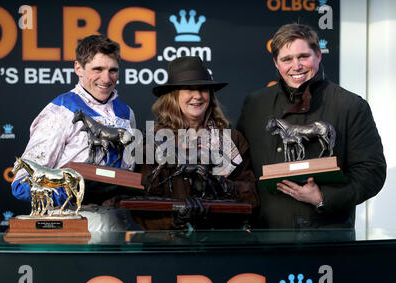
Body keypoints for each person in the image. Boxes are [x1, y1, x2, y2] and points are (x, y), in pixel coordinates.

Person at [236, 23, 386, 229]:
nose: (296, 66)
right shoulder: (254, 105)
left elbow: (372, 171)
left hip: (328, 238)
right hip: (266, 238)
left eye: (303, 56)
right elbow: (240, 169)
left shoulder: (350, 105)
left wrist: (323, 197)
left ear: (318, 55)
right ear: (276, 63)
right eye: (287, 59)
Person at [11, 35, 136, 231]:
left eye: (113, 70)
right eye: (98, 69)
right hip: (70, 223)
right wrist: (76, 190)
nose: (106, 78)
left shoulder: (126, 113)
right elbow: (21, 183)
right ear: (78, 68)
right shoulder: (59, 111)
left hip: (118, 223)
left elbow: (128, 175)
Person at [134, 56, 259, 230]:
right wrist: (176, 220)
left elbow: (251, 197)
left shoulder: (233, 139)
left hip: (221, 242)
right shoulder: (152, 143)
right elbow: (141, 204)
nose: (198, 96)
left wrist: (225, 187)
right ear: (173, 95)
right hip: (172, 247)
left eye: (203, 89)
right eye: (189, 89)